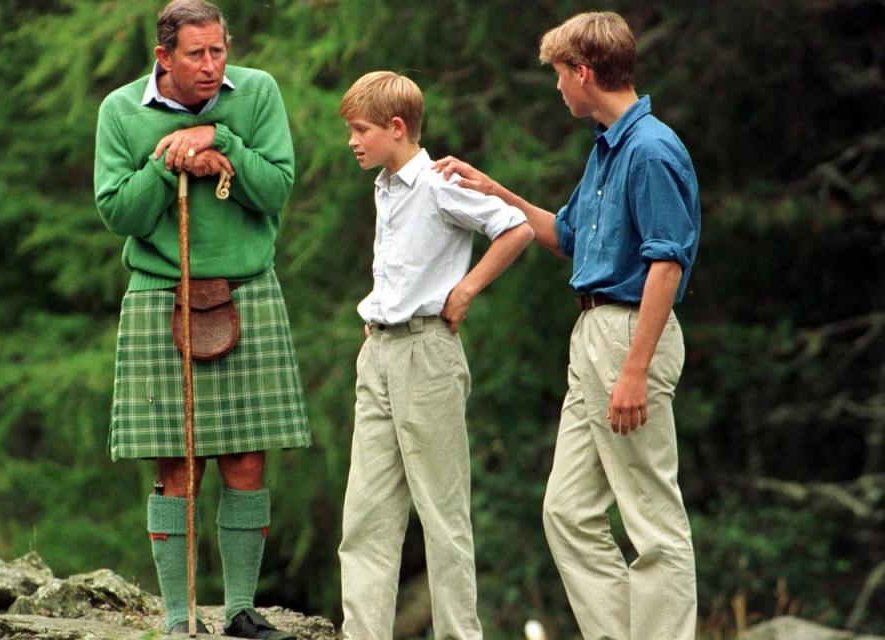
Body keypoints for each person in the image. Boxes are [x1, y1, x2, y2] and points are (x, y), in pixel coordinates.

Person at [434, 11, 700, 640]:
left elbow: (666, 264)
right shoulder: (607, 149)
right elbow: (567, 235)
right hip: (593, 338)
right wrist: (494, 190)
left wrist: (635, 369)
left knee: (652, 516)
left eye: (559, 75)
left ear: (583, 72)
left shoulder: (653, 149)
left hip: (633, 333)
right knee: (569, 511)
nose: (557, 88)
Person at [93, 1, 310, 637]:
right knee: (176, 466)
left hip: (247, 286)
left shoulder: (258, 93)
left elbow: (275, 190)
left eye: (219, 50)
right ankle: (180, 618)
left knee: (246, 460)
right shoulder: (120, 111)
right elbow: (120, 215)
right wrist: (169, 163)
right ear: (163, 57)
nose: (213, 66)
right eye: (197, 54)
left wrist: (222, 142)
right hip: (163, 291)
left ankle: (240, 609)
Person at [337, 71, 534, 639]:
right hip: (379, 351)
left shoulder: (439, 182)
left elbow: (515, 228)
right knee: (366, 514)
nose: (353, 140)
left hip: (427, 352)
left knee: (442, 514)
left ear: (397, 129)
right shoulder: (385, 186)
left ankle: (458, 635)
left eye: (361, 130)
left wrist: (466, 290)